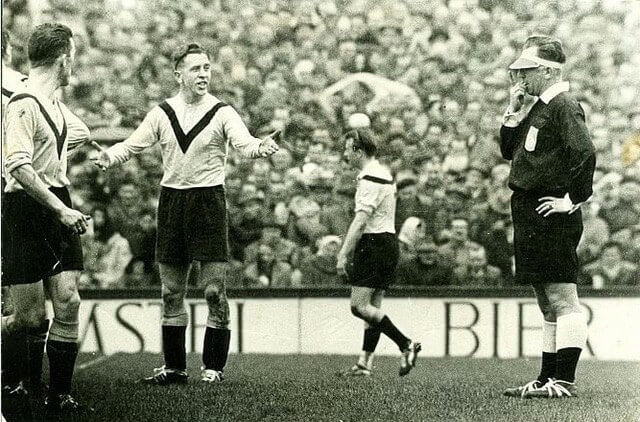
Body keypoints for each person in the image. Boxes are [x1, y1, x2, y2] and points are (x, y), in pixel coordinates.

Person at [90, 42, 280, 384]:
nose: (204, 74)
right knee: (171, 292)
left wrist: (261, 147)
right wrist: (109, 156)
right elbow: (132, 144)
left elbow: (245, 143)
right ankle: (175, 368)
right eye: (196, 68)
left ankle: (213, 368)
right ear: (179, 75)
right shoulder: (163, 112)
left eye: (207, 67)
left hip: (208, 202)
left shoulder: (222, 111)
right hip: (173, 202)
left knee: (212, 292)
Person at [1, 23, 93, 416]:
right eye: (73, 58)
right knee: (28, 318)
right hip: (25, 208)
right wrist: (59, 208)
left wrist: (55, 165)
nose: (74, 66)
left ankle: (59, 394)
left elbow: (77, 135)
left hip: (58, 198)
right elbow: (17, 167)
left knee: (69, 300)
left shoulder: (54, 105)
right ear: (64, 59)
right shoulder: (22, 102)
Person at [499, 36, 596, 399]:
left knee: (561, 297)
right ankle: (546, 379)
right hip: (530, 212)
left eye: (525, 71)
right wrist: (513, 110)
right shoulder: (539, 107)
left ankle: (564, 381)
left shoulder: (563, 105)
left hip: (548, 211)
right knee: (545, 299)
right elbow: (509, 150)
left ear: (545, 71)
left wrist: (571, 200)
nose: (519, 78)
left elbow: (585, 152)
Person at [336, 129, 421, 377]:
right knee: (373, 306)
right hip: (386, 243)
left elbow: (361, 221)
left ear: (358, 151)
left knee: (358, 306)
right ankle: (365, 363)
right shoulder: (381, 173)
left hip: (374, 243)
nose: (344, 153)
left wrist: (343, 254)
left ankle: (406, 344)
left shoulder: (370, 178)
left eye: (346, 148)